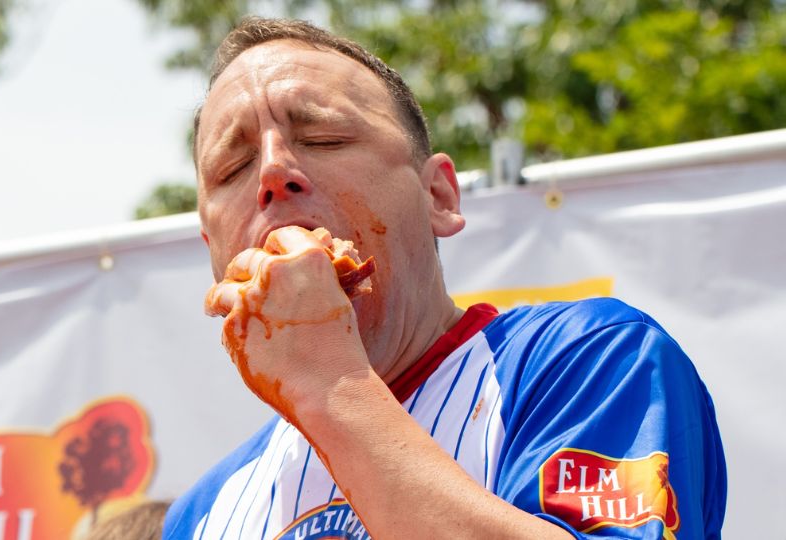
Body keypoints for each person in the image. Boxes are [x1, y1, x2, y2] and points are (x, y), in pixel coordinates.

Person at [163, 17, 726, 540]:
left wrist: (331, 393)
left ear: (438, 195)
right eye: (232, 168)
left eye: (324, 137)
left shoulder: (590, 359)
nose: (273, 173)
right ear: (214, 251)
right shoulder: (201, 515)